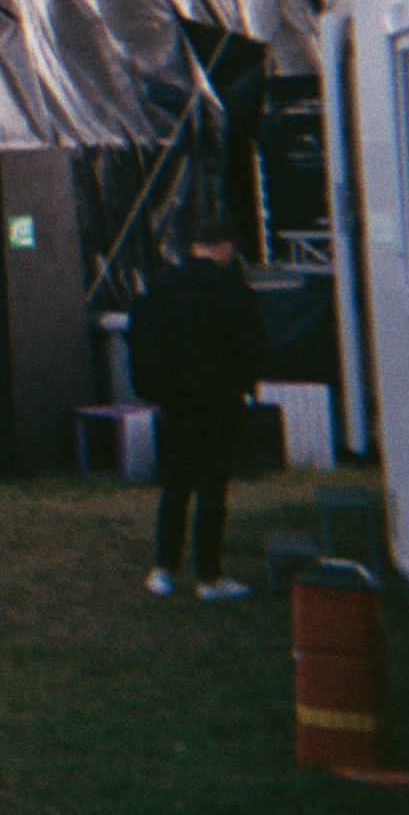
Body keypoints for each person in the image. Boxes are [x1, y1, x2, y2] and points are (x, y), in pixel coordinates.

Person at [129, 217, 272, 601]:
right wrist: (245, 378)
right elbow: (256, 346)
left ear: (193, 247)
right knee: (212, 487)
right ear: (225, 247)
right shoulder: (231, 290)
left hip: (176, 402)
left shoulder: (161, 288)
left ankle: (163, 570)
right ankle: (209, 577)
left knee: (176, 484)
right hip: (221, 400)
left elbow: (143, 345)